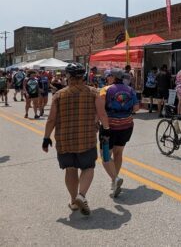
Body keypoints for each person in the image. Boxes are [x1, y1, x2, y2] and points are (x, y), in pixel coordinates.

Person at [42, 63, 110, 216]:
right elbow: (102, 115)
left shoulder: (59, 95)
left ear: (68, 76)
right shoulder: (94, 92)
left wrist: (46, 138)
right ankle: (82, 195)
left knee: (70, 169)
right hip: (86, 139)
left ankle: (73, 201)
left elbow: (51, 119)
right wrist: (106, 130)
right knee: (88, 167)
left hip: (65, 140)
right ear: (83, 76)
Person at [99, 68, 139, 198]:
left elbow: (100, 110)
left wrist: (98, 123)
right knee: (118, 153)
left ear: (113, 77)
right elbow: (136, 108)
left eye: (108, 76)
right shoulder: (130, 90)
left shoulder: (105, 89)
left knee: (105, 156)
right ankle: (114, 181)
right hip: (127, 126)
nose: (107, 78)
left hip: (109, 128)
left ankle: (115, 178)